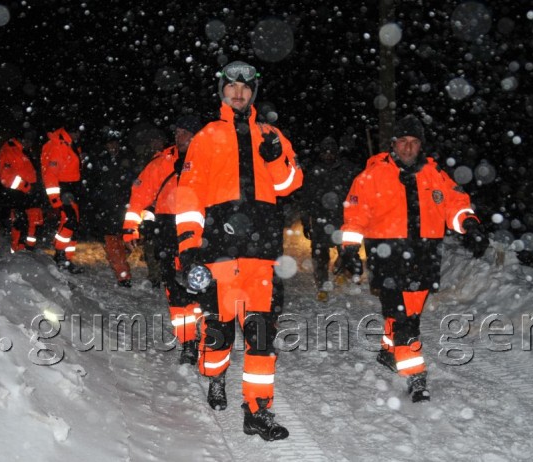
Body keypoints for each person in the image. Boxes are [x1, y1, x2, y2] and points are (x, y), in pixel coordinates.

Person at [174, 60, 303, 441]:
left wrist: (276, 153)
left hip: (262, 254)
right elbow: (189, 195)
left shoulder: (271, 134)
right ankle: (215, 378)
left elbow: (291, 182)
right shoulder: (207, 136)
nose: (239, 93)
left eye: (245, 88)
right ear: (222, 91)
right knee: (218, 330)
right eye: (232, 87)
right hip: (219, 251)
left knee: (261, 334)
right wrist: (189, 246)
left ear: (253, 93)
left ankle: (257, 409)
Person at [340, 115, 488, 403]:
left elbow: (455, 204)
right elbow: (355, 216)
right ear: (394, 144)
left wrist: (469, 224)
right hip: (387, 255)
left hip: (424, 256)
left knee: (410, 312)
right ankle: (415, 376)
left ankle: (388, 350)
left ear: (421, 145)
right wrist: (349, 249)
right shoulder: (372, 175)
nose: (408, 148)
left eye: (414, 142)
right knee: (406, 321)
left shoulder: (435, 175)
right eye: (403, 142)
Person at [122, 114, 203, 363]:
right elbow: (140, 194)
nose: (179, 137)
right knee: (175, 290)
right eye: (177, 132)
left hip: (202, 233)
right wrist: (130, 227)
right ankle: (188, 341)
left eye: (185, 132)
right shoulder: (163, 161)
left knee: (203, 288)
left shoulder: (210, 159)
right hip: (168, 230)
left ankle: (210, 337)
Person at [300, 136, 360, 302]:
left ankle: (342, 270)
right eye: (324, 151)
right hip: (320, 221)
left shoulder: (347, 170)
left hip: (343, 219)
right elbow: (306, 199)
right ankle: (322, 287)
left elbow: (358, 191)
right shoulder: (313, 172)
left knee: (346, 251)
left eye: (330, 151)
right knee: (319, 256)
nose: (327, 155)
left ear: (336, 152)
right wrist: (306, 222)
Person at [82, 131, 134, 286]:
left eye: (114, 143)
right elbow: (91, 183)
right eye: (109, 143)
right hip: (106, 208)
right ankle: (123, 275)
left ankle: (119, 263)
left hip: (124, 208)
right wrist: (96, 201)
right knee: (112, 242)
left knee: (124, 242)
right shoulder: (98, 161)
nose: (112, 146)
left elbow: (134, 180)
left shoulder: (127, 159)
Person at [41, 124, 84, 273]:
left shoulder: (70, 144)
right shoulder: (60, 145)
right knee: (69, 222)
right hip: (64, 190)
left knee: (74, 225)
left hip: (72, 189)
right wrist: (55, 199)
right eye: (76, 131)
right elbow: (50, 174)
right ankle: (60, 254)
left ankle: (66, 258)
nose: (78, 134)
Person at [0, 137, 43, 252]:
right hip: (17, 195)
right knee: (19, 223)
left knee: (33, 221)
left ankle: (29, 248)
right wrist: (25, 186)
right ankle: (17, 251)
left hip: (30, 195)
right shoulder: (10, 150)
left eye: (31, 140)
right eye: (27, 139)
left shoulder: (26, 151)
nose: (29, 143)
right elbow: (5, 177)